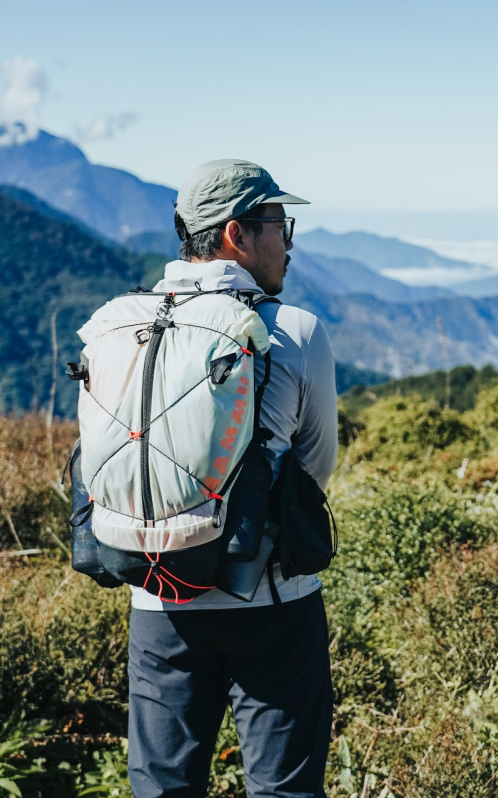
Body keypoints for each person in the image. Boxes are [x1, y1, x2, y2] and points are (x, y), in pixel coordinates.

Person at [125, 159, 339, 798]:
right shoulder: (294, 331)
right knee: (284, 790)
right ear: (235, 236)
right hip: (270, 597)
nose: (289, 241)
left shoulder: (130, 326)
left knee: (162, 789)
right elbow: (315, 467)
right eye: (278, 222)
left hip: (157, 599)